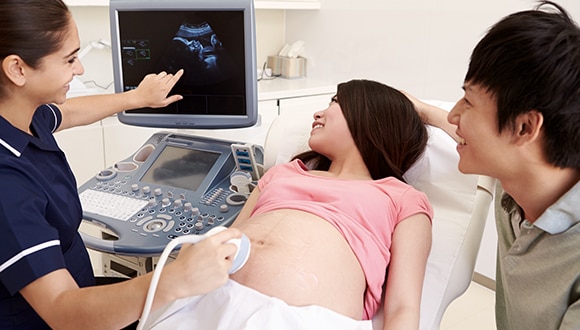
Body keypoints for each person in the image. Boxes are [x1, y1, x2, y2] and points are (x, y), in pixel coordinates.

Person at [0, 0, 242, 329]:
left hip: (79, 292)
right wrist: (175, 278)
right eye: (70, 59)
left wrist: (136, 98)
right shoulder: (6, 183)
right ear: (17, 69)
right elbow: (61, 310)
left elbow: (69, 113)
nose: (80, 69)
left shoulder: (25, 116)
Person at [144, 79, 434, 330]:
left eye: (335, 102)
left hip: (302, 319)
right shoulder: (283, 173)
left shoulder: (401, 198)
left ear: (371, 118)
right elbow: (230, 235)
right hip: (205, 303)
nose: (318, 113)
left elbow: (403, 307)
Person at [404, 1, 580, 329]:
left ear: (525, 128)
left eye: (468, 102)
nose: (454, 115)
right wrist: (418, 108)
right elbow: (455, 123)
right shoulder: (521, 178)